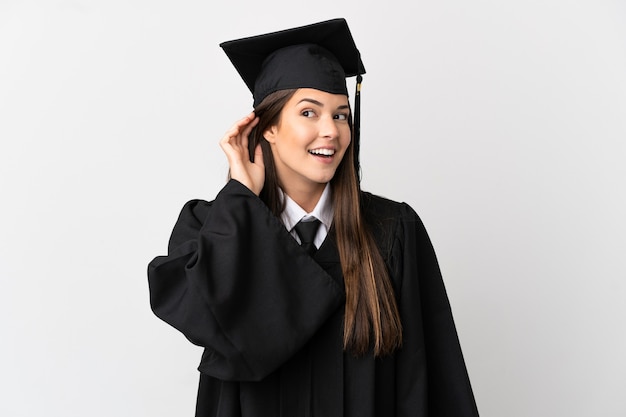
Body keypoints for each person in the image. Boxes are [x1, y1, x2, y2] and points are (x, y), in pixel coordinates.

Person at [148, 18, 479, 417]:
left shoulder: (394, 231)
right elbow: (199, 313)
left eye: (340, 115)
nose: (331, 131)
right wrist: (240, 199)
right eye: (309, 113)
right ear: (266, 127)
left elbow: (428, 380)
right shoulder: (211, 226)